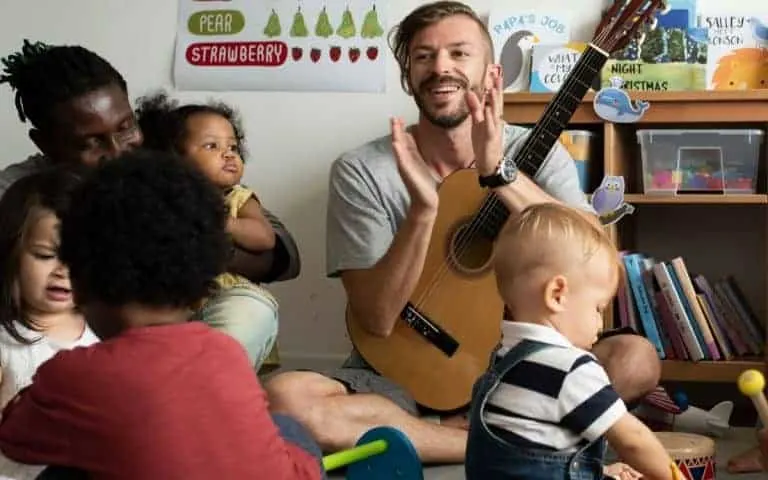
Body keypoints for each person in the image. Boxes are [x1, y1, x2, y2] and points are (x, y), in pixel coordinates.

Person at [264, 0, 661, 466]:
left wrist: (501, 174)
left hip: (520, 370)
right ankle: (505, 436)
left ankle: (429, 435)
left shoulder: (534, 153)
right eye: (423, 56)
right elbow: (375, 319)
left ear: (492, 73)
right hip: (400, 373)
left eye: (458, 53)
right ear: (408, 75)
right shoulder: (363, 169)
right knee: (288, 399)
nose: (441, 68)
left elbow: (595, 254)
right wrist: (424, 213)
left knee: (637, 360)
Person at [0, 150, 324, 480]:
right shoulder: (225, 352)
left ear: (84, 276)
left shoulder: (74, 374)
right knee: (283, 428)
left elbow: (13, 440)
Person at [0, 39, 301, 367]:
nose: (117, 151)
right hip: (58, 333)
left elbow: (282, 255)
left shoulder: (164, 161)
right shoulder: (18, 191)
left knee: (251, 310)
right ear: (44, 142)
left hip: (171, 336)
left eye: (126, 127)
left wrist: (194, 243)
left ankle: (190, 397)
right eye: (91, 142)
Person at [465, 203, 675, 480]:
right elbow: (633, 439)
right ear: (558, 294)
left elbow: (538, 442)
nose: (601, 325)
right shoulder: (571, 368)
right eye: (598, 309)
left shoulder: (504, 357)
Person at [134, 91, 281, 370]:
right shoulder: (157, 199)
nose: (228, 154)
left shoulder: (237, 198)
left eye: (233, 147)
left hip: (226, 304)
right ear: (172, 158)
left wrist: (222, 221)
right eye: (211, 146)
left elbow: (265, 238)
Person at [0, 166, 98, 411]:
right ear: (10, 253)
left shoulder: (106, 330)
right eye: (45, 255)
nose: (63, 270)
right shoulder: (5, 345)